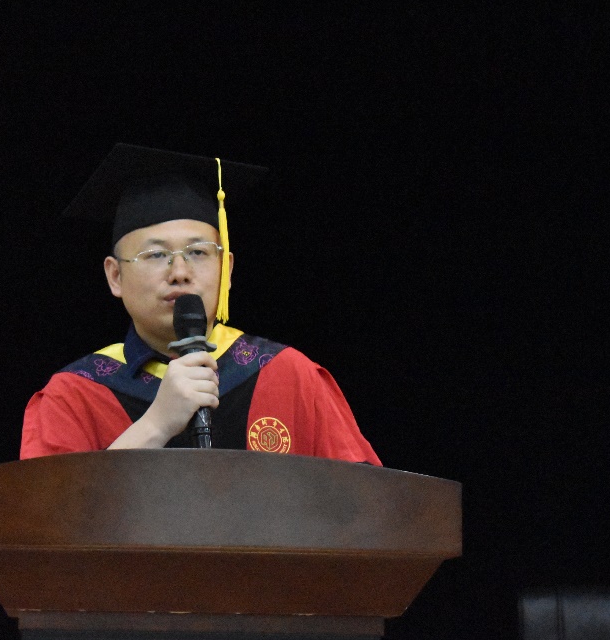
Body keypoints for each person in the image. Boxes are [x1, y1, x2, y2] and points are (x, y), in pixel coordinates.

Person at [20, 143, 380, 466]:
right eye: (155, 254)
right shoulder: (73, 396)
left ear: (227, 269)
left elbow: (367, 504)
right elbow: (49, 514)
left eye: (198, 252)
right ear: (115, 276)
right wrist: (156, 425)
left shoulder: (288, 375)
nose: (180, 272)